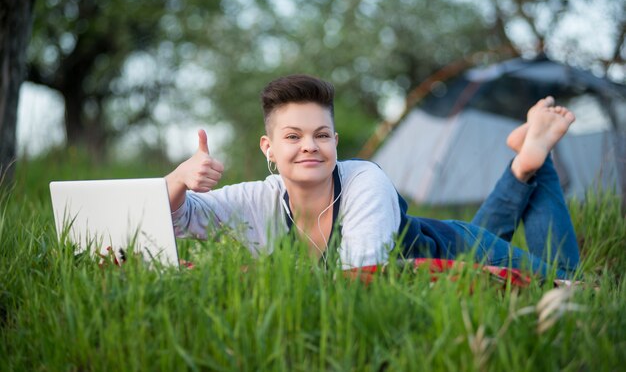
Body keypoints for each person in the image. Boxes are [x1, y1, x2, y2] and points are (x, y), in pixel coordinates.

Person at [165, 74, 580, 279]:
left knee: (565, 279)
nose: (310, 145)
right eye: (293, 136)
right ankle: (523, 163)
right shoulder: (260, 200)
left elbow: (362, 277)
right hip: (440, 257)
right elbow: (178, 219)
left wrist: (254, 277)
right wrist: (177, 181)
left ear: (335, 141)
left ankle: (536, 156)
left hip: (460, 250)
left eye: (321, 134)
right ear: (268, 148)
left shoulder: (365, 181)